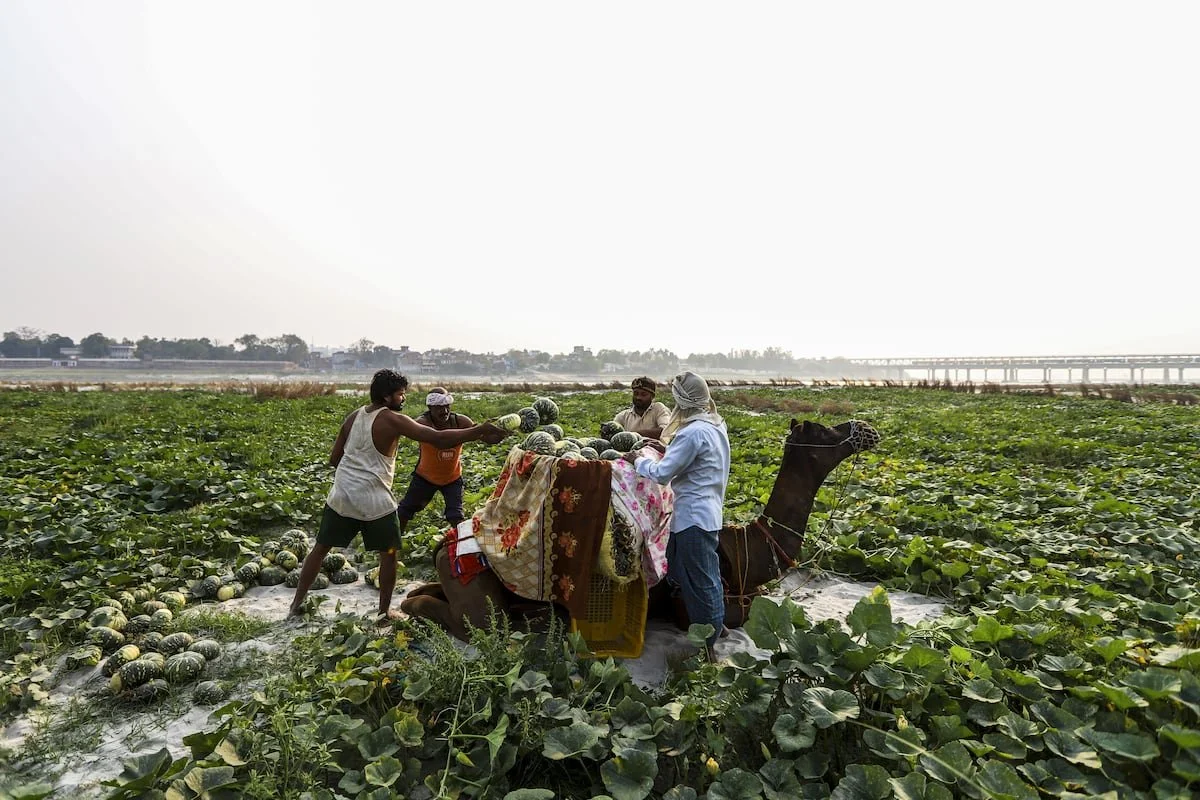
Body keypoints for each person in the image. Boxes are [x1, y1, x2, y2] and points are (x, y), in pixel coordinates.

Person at [288, 369, 508, 623]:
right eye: (400, 394)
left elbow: (334, 459)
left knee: (320, 549)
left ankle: (296, 604)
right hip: (375, 500)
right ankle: (383, 612)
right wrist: (479, 430)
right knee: (389, 553)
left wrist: (356, 472)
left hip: (341, 495)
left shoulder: (353, 416)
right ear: (387, 396)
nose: (403, 399)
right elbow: (436, 439)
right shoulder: (391, 419)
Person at [621, 371, 730, 659]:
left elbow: (662, 473)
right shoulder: (714, 425)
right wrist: (666, 448)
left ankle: (708, 642)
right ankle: (717, 625)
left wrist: (640, 459)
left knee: (700, 580)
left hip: (694, 517)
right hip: (705, 512)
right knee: (685, 569)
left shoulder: (692, 432)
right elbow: (692, 457)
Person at [395, 387, 473, 535]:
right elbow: (440, 441)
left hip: (453, 478)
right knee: (404, 512)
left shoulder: (460, 421)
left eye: (446, 406)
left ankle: (463, 551)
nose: (444, 411)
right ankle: (391, 547)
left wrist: (497, 430)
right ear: (430, 407)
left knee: (456, 516)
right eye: (438, 407)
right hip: (425, 478)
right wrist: (471, 433)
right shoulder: (422, 423)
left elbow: (487, 437)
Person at [610, 376, 671, 440]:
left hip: (655, 449)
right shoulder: (622, 416)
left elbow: (666, 430)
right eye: (636, 393)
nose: (638, 397)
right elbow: (612, 435)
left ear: (652, 396)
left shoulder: (658, 409)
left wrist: (633, 435)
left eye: (643, 394)